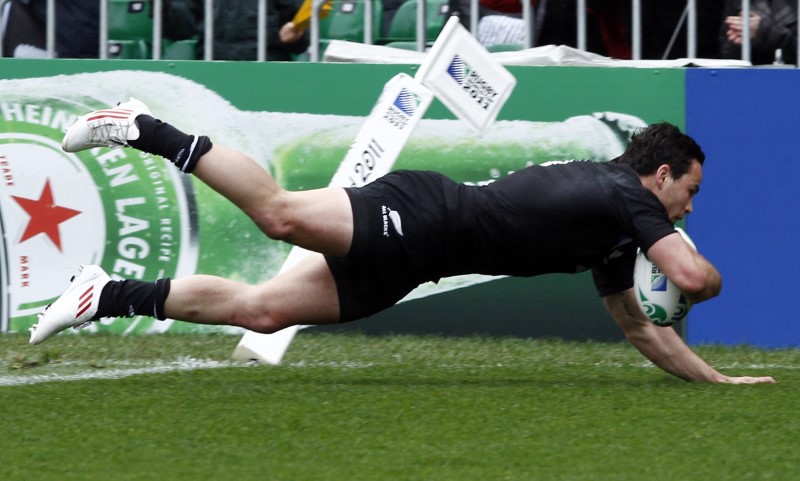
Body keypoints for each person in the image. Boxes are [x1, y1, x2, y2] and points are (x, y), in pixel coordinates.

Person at [29, 98, 774, 385]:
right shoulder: (627, 196)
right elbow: (693, 278)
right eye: (691, 192)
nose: (689, 206)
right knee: (281, 215)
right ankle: (143, 127)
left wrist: (718, 383)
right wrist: (692, 268)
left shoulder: (618, 229)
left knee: (262, 312)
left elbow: (640, 328)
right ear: (663, 174)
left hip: (420, 259)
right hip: (419, 213)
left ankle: (104, 292)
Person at [719, 0, 797, 65]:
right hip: (752, 76)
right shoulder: (739, 3)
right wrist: (741, 37)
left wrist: (766, 33)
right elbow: (723, 54)